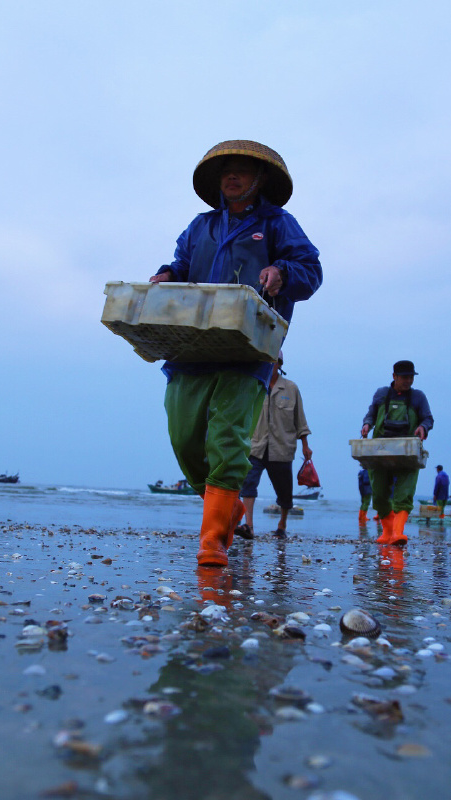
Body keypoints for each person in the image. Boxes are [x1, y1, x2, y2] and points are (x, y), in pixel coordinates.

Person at [149, 140, 322, 567]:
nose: (232, 176)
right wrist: (167, 275)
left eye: (242, 170)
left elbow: (311, 269)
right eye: (226, 169)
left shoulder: (278, 223)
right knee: (185, 441)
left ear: (260, 178)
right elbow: (182, 267)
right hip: (191, 349)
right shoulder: (200, 226)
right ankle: (228, 512)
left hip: (249, 352)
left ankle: (212, 544)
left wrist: (282, 271)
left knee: (227, 440)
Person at [236, 353, 311, 539]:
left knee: (284, 490)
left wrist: (305, 446)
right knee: (248, 484)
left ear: (279, 364)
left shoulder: (291, 389)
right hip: (256, 445)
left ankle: (282, 525)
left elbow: (300, 420)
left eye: (273, 362)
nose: (270, 365)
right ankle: (249, 526)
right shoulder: (255, 384)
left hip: (282, 447)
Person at [359, 360, 434, 546]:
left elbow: (428, 418)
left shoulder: (418, 397)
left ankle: (398, 533)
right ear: (394, 376)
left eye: (411, 377)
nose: (408, 381)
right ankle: (387, 532)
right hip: (380, 450)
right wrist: (367, 425)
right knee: (379, 492)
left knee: (404, 492)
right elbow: (371, 414)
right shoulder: (381, 394)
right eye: (404, 377)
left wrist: (423, 428)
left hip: (407, 450)